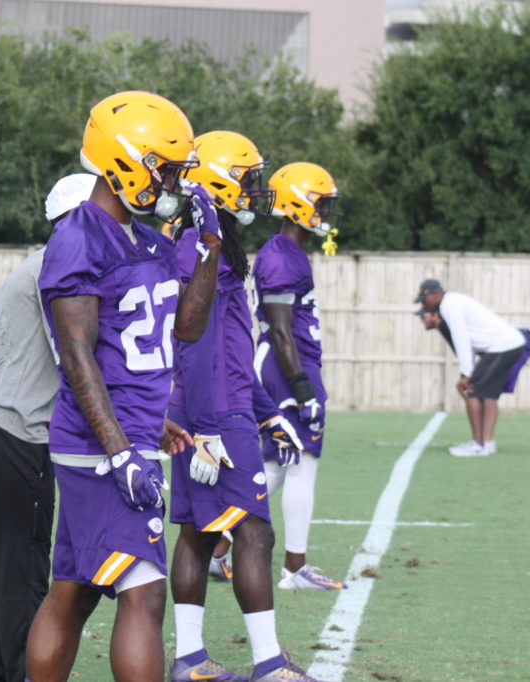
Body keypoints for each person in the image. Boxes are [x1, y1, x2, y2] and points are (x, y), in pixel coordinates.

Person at [25, 91, 223, 682]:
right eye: (163, 167)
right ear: (125, 162)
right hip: (99, 447)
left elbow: (187, 326)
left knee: (75, 591)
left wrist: (209, 249)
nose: (170, 181)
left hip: (126, 437)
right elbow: (77, 354)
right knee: (145, 596)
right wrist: (118, 450)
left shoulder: (148, 240)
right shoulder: (80, 235)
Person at [166, 131, 315, 682]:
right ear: (218, 180)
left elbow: (231, 350)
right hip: (212, 414)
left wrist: (267, 410)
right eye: (247, 179)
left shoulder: (217, 243)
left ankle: (188, 658)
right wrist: (205, 426)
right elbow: (194, 345)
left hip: (222, 407)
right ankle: (269, 664)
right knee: (253, 532)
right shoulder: (199, 248)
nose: (254, 191)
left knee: (199, 534)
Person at [0, 173, 94, 682]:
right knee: (22, 574)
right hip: (16, 435)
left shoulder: (34, 263)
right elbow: (76, 364)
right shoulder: (63, 269)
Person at [253, 162, 348, 591]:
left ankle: (216, 547)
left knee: (278, 464)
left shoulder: (288, 252)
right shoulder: (278, 257)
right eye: (321, 202)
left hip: (290, 366)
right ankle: (294, 568)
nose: (327, 211)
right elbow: (279, 329)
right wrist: (302, 388)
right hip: (285, 368)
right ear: (299, 203)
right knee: (298, 465)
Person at [414, 279, 530, 457]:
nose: (424, 306)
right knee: (486, 395)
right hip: (504, 346)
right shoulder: (450, 303)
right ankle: (486, 443)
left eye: (424, 301)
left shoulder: (449, 306)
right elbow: (466, 343)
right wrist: (467, 372)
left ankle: (479, 444)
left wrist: (466, 374)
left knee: (471, 390)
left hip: (502, 346)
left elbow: (461, 339)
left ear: (434, 295)